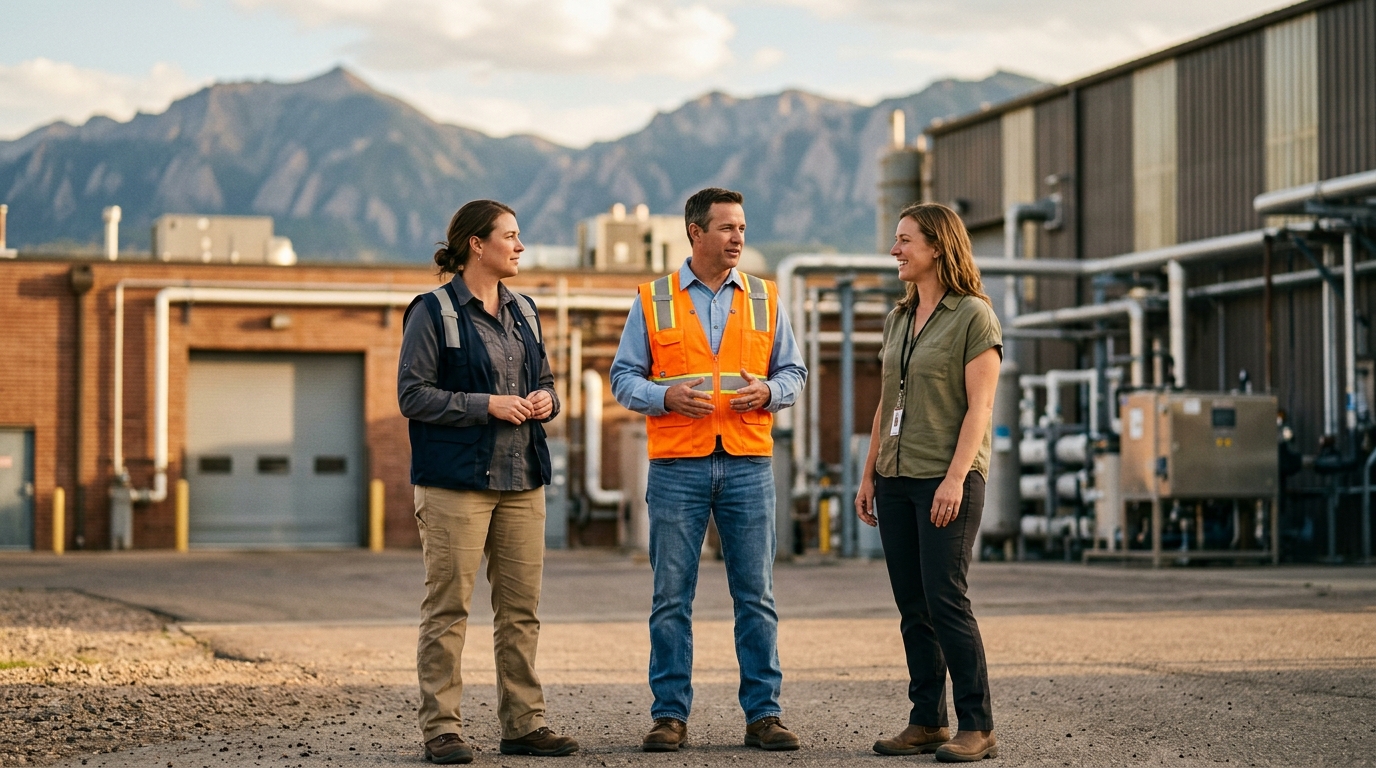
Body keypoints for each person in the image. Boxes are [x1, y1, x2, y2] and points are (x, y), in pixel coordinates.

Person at [610, 188, 807, 752]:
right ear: (695, 233)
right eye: (725, 228)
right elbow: (624, 378)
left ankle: (764, 715)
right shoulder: (653, 299)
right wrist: (665, 400)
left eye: (742, 227)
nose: (738, 238)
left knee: (757, 596)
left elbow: (794, 371)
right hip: (678, 467)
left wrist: (770, 391)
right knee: (671, 597)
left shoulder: (767, 298)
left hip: (747, 462)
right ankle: (669, 716)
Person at [398, 200, 579, 764]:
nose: (521, 246)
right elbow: (413, 395)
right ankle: (442, 729)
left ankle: (524, 724)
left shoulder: (525, 309)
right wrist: (488, 405)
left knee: (521, 611)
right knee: (449, 609)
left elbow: (544, 379)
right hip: (456, 484)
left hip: (522, 479)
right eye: (511, 236)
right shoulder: (433, 311)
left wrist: (546, 398)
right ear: (477, 245)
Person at [855, 202, 1002, 762]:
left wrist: (954, 480)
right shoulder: (898, 318)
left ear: (937, 247)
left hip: (947, 479)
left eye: (904, 240)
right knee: (912, 605)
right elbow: (885, 404)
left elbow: (979, 408)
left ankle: (978, 725)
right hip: (894, 479)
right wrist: (868, 474)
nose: (895, 250)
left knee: (946, 600)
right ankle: (927, 722)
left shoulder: (974, 317)